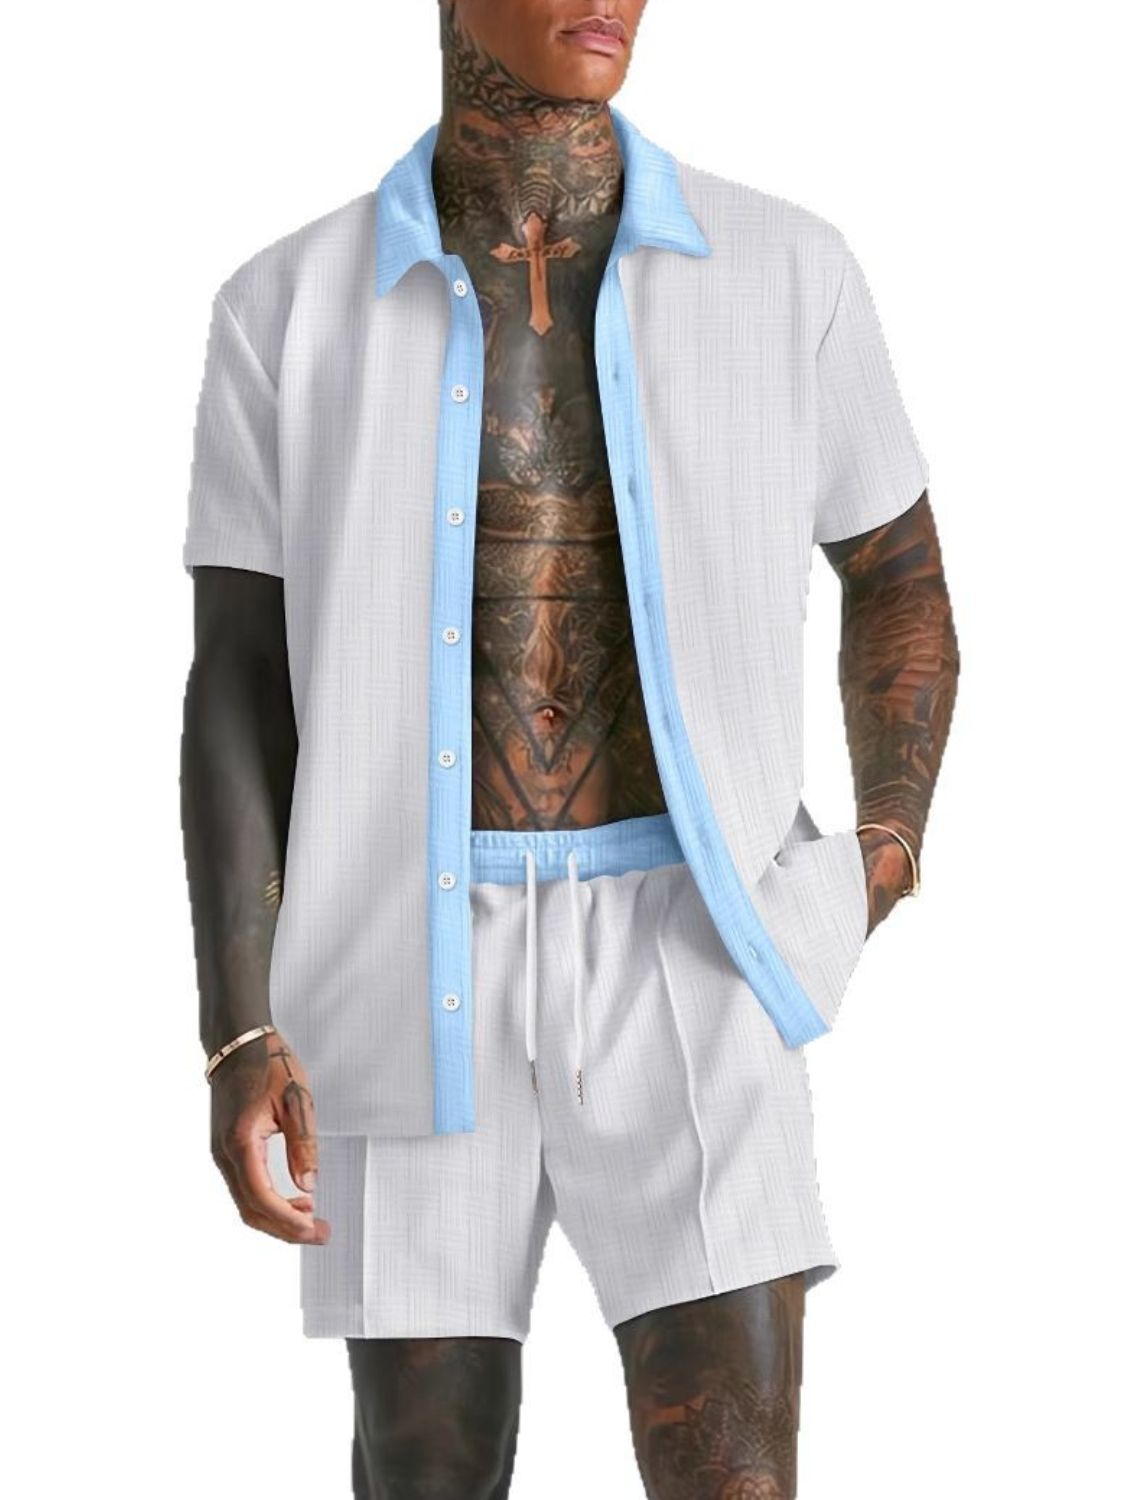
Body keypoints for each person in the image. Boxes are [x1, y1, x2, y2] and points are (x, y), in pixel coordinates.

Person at [179, 2, 960, 1494]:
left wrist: (880, 855)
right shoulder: (282, 305)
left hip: (697, 934)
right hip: (393, 941)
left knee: (732, 1466)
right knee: (424, 1466)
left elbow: (900, 577)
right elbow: (238, 684)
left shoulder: (786, 269)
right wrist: (239, 1029)